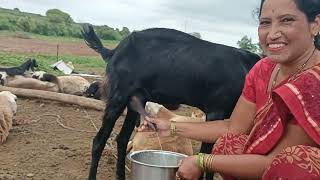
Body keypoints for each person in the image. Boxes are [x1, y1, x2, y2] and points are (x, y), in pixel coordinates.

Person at [139, 0, 320, 179]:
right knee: (229, 143)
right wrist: (170, 127)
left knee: (291, 164)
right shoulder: (264, 69)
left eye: (287, 20)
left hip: (287, 169)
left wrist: (202, 161)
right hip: (269, 164)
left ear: (315, 25)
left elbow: (274, 163)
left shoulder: (314, 82)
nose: (272, 34)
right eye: (265, 23)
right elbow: (232, 127)